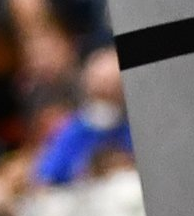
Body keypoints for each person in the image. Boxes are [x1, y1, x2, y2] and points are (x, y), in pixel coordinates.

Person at [33, 47, 131, 187]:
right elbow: (46, 175)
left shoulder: (133, 128)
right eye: (100, 90)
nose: (106, 92)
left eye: (114, 89)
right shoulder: (74, 130)